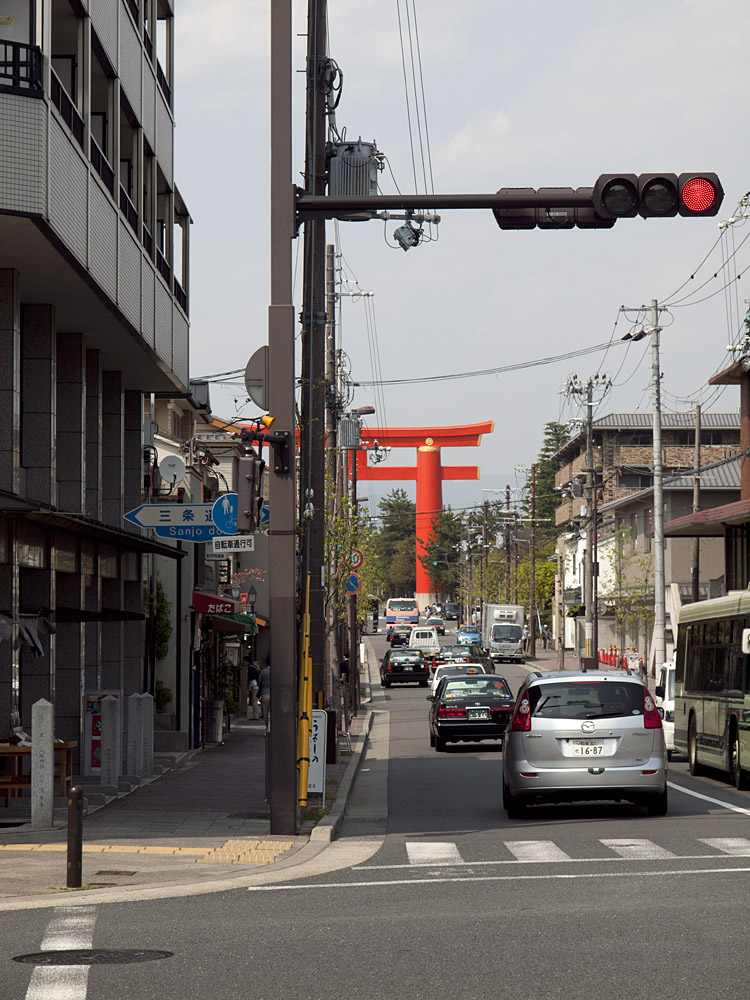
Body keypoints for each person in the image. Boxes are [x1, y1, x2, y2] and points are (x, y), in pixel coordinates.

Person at [258, 660, 271, 733]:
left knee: (265, 712)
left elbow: (259, 682)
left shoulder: (263, 671)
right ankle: (270, 726)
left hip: (264, 693)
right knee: (272, 712)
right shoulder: (276, 672)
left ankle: (267, 727)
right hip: (274, 694)